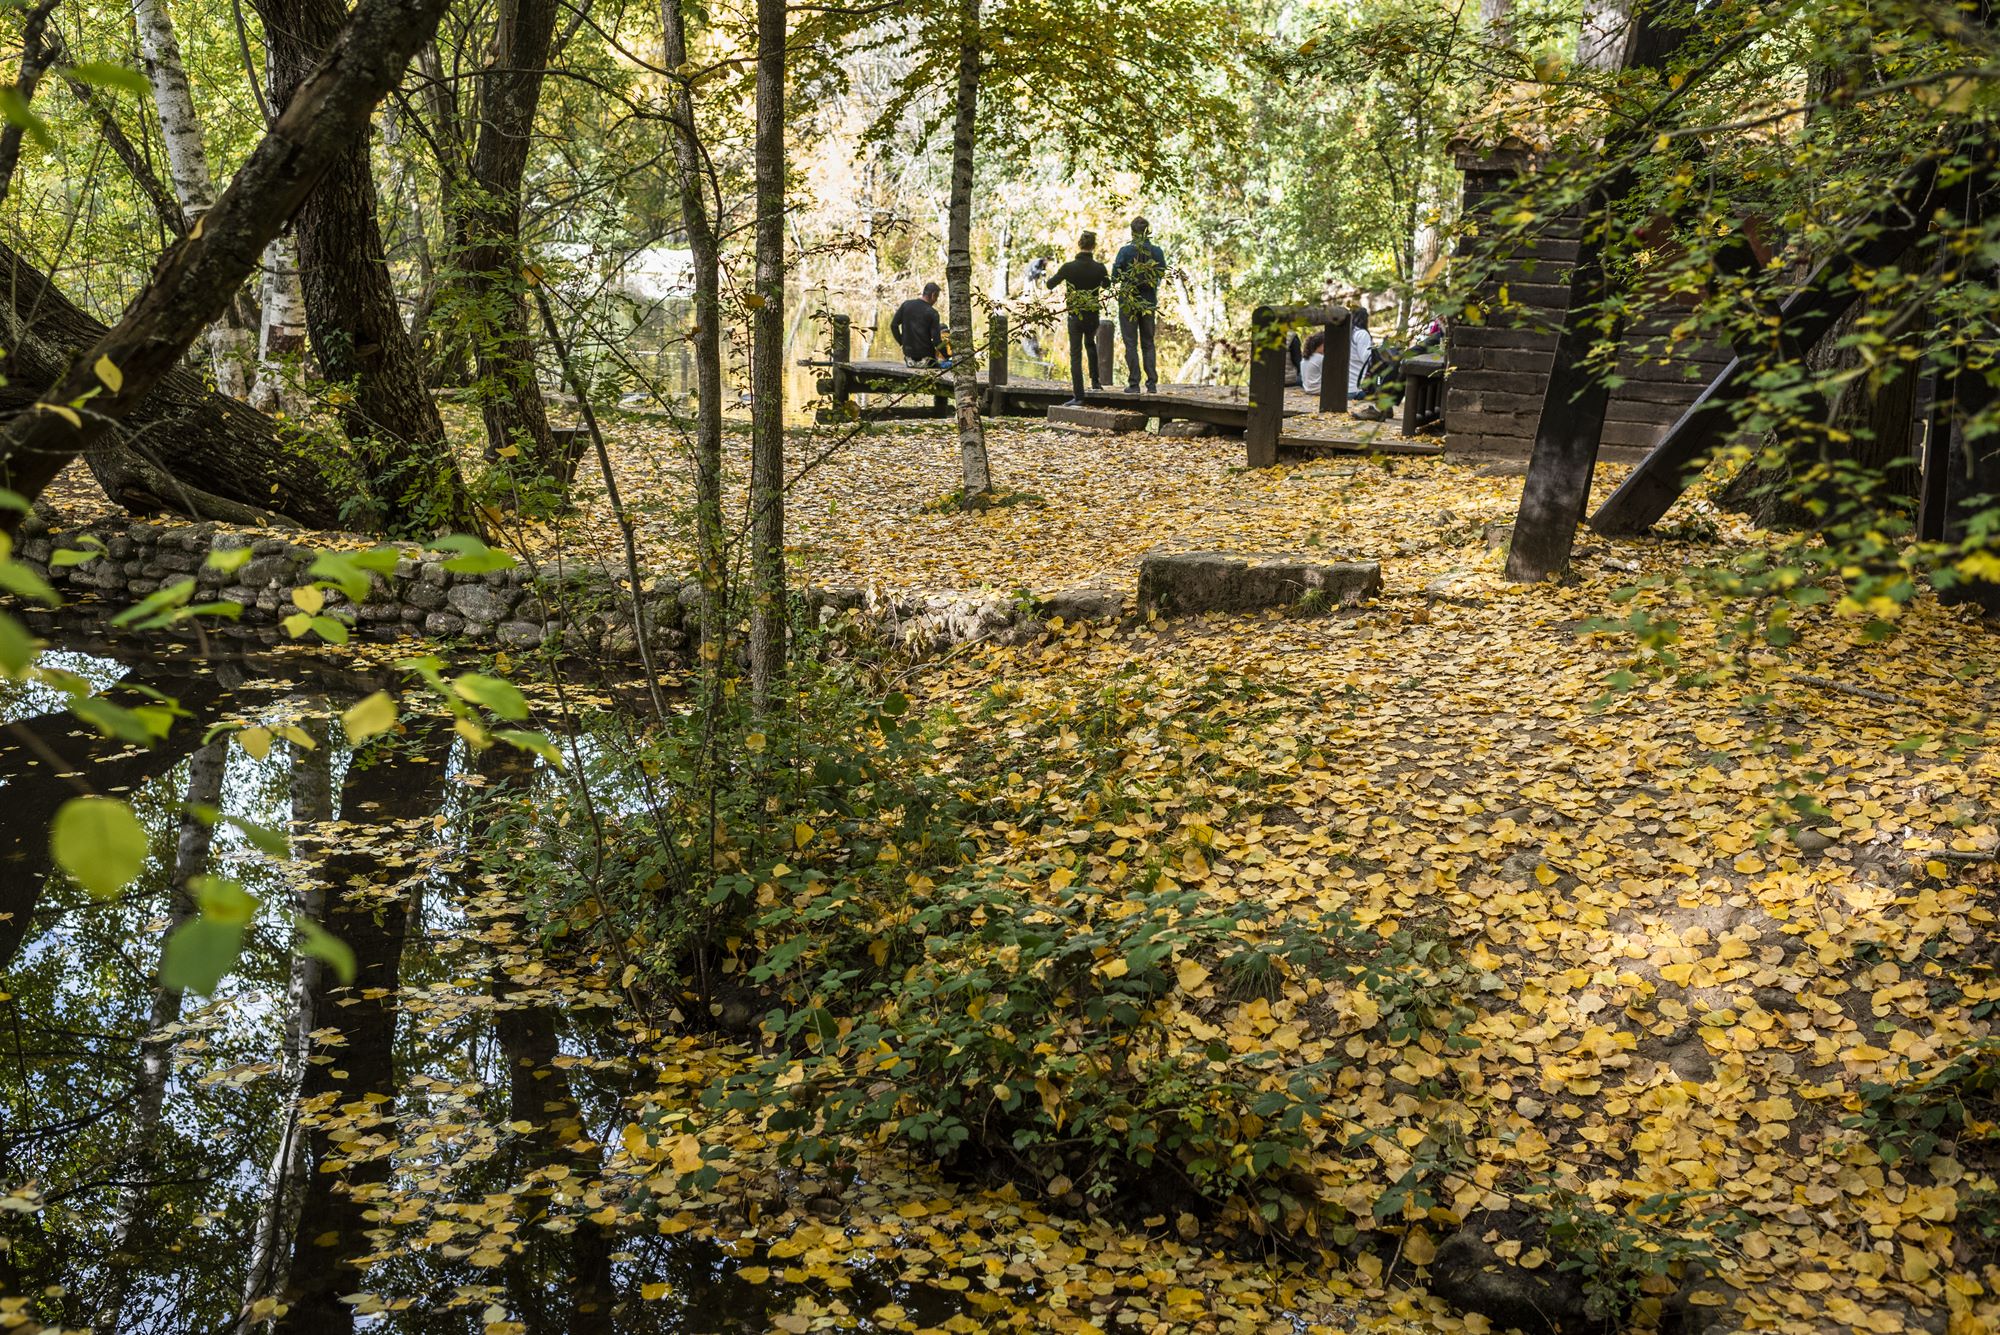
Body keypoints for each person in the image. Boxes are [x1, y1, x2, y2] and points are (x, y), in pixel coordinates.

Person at [1045, 231, 1110, 405]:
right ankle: (1096, 383)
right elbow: (1107, 285)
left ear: (1079, 244)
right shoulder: (1100, 268)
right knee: (1090, 344)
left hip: (1075, 315)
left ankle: (1079, 396)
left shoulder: (1069, 267)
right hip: (1093, 314)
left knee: (1075, 354)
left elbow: (1050, 284)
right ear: (1094, 246)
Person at [1111, 216, 1166, 392]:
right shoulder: (1157, 252)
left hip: (1128, 301)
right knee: (1148, 343)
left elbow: (1114, 277)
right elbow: (1161, 273)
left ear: (1132, 232)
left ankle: (1134, 384)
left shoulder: (1125, 251)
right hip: (1149, 302)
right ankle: (1151, 384)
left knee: (1130, 343)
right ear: (1147, 231)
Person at [891, 282, 943, 365]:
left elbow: (894, 326)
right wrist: (948, 356)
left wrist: (902, 342)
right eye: (937, 297)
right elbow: (937, 341)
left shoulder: (906, 305)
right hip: (927, 359)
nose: (936, 300)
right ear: (933, 295)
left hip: (909, 358)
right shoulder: (933, 313)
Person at [1348, 307, 1385, 419]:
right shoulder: (1361, 334)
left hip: (1344, 388)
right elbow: (1368, 358)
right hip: (1355, 390)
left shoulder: (1348, 334)